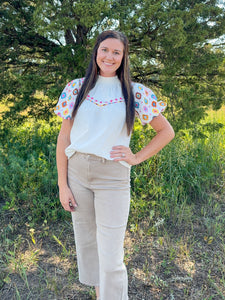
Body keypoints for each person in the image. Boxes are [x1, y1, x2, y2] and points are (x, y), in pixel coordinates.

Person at [54, 30, 174, 300]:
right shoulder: (76, 88)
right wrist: (63, 184)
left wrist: (136, 157)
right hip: (77, 173)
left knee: (111, 253)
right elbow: (64, 137)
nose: (109, 56)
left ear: (123, 57)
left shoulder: (135, 92)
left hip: (113, 177)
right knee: (88, 245)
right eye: (105, 50)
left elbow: (166, 131)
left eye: (116, 52)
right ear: (96, 51)